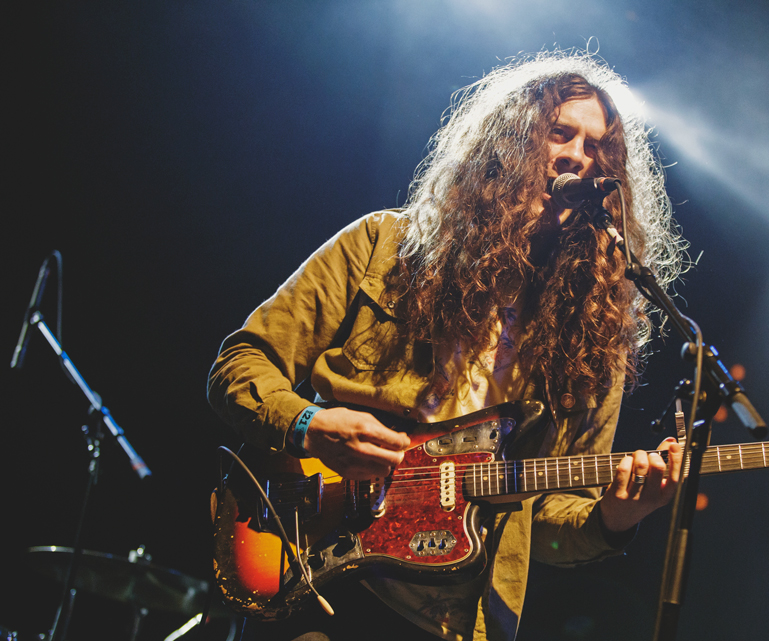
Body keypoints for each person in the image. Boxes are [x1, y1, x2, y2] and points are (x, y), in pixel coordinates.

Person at [208, 51, 687, 641]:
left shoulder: (591, 336)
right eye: (559, 134)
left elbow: (552, 528)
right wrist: (312, 426)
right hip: (320, 578)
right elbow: (239, 365)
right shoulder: (383, 247)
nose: (577, 158)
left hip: (456, 620)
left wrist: (618, 516)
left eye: (596, 150)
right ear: (506, 144)